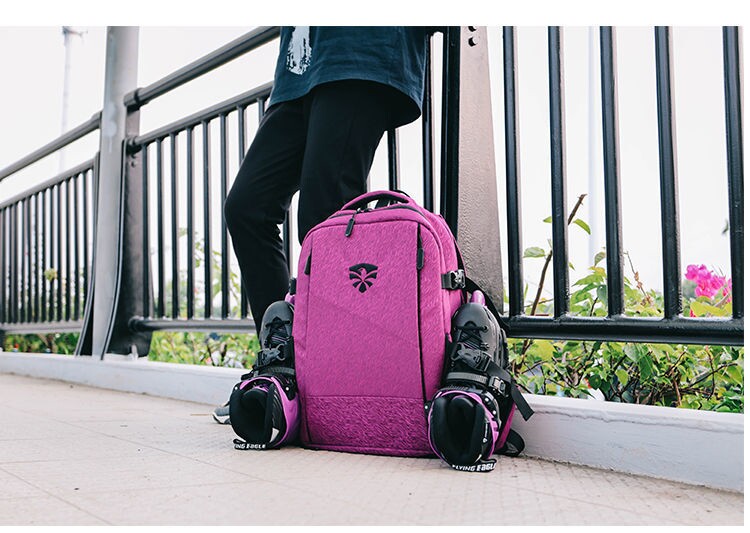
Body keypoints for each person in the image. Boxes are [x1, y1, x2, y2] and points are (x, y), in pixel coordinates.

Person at [214, 26, 429, 424]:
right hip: (300, 69)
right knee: (247, 207)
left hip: (360, 52)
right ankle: (281, 361)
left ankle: (326, 383)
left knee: (324, 221)